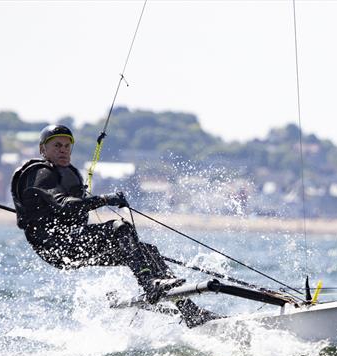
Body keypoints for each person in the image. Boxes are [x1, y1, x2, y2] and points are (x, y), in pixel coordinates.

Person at [11, 124, 217, 327]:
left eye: (67, 146)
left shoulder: (65, 173)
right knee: (120, 227)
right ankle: (150, 284)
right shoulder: (41, 173)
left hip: (72, 245)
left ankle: (190, 311)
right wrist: (104, 199)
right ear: (42, 149)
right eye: (57, 145)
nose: (63, 150)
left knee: (148, 252)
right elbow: (65, 206)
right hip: (59, 246)